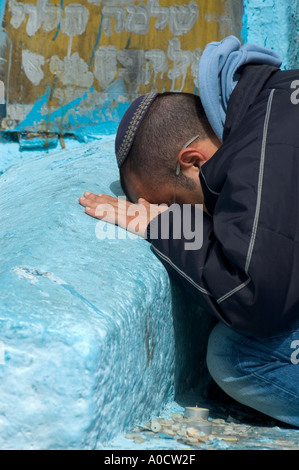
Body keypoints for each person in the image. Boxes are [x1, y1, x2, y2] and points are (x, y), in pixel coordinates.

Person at [79, 36, 299, 427]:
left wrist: (158, 224)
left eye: (175, 204)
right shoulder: (273, 101)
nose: (188, 216)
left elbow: (250, 294)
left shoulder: (256, 158)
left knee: (236, 355)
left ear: (192, 162)